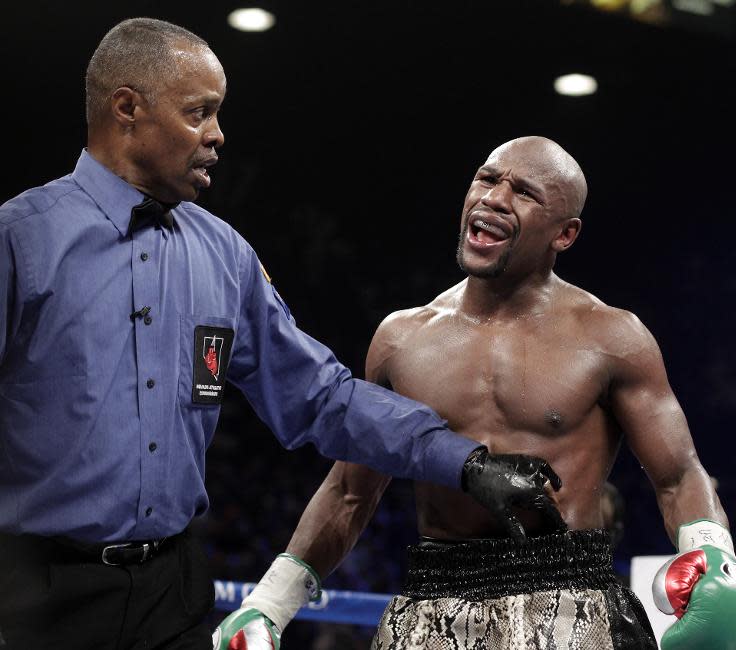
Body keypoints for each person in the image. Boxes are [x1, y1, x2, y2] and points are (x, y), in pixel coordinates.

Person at [0, 20, 561, 650]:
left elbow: (319, 397)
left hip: (172, 593)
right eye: (198, 113)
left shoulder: (224, 255)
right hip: (32, 597)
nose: (217, 135)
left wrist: (466, 462)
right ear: (127, 108)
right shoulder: (22, 240)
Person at [218, 137, 736, 650]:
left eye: (524, 192)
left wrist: (714, 557)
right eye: (486, 178)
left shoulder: (611, 336)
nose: (494, 198)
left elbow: (679, 474)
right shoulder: (402, 338)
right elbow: (349, 493)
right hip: (434, 605)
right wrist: (268, 604)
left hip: (569, 600)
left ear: (563, 234)